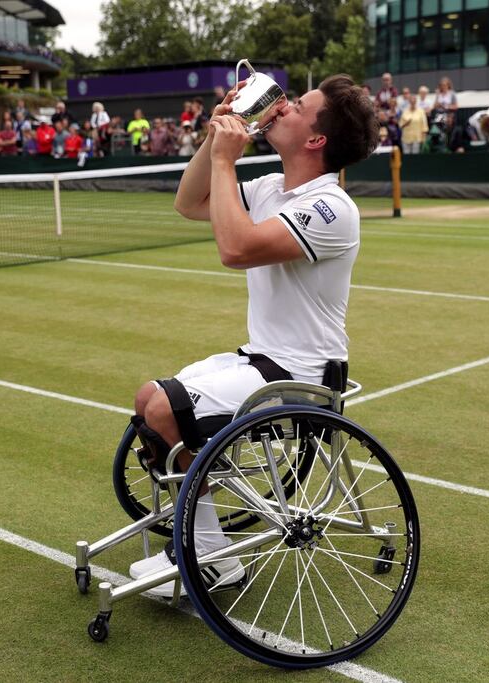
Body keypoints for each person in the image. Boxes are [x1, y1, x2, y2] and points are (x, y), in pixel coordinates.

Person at [127, 74, 378, 596]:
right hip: (262, 360)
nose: (280, 106)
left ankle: (211, 557)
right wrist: (216, 139)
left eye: (297, 107)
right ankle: (204, 537)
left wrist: (225, 160)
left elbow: (235, 250)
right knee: (149, 399)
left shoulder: (331, 207)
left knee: (162, 410)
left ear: (316, 140)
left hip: (302, 376)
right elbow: (190, 202)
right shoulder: (269, 188)